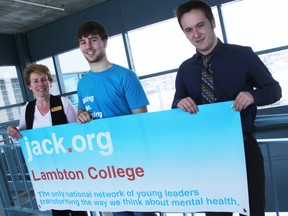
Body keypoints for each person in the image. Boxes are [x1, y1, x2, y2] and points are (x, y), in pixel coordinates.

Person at [172, 1, 282, 216]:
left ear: (213, 22)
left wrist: (252, 95)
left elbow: (274, 90)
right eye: (188, 29)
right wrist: (179, 104)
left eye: (200, 25)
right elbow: (176, 104)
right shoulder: (185, 70)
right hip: (207, 155)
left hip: (244, 150)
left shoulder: (243, 55)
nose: (196, 34)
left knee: (253, 211)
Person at [76, 21, 156, 216]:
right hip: (107, 167)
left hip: (134, 164)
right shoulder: (82, 83)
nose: (88, 47)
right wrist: (81, 115)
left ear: (104, 41)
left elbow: (141, 121)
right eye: (83, 42)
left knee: (143, 214)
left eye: (93, 40)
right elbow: (81, 111)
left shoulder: (125, 76)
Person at [6, 64, 88, 216]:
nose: (40, 84)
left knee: (78, 210)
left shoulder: (63, 103)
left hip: (70, 171)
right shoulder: (27, 109)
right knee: (58, 211)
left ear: (50, 82)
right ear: (29, 86)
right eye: (35, 81)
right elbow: (20, 139)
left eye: (44, 79)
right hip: (46, 173)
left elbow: (76, 133)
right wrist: (13, 133)